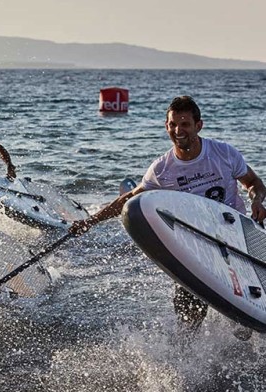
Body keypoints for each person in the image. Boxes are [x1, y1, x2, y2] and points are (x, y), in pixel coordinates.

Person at [70, 96, 266, 335]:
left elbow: (253, 182)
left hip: (234, 237)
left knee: (244, 324)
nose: (178, 130)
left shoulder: (223, 153)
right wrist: (89, 222)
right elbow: (128, 199)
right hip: (195, 242)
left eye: (184, 124)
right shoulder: (162, 169)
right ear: (166, 126)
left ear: (198, 126)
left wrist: (256, 200)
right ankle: (188, 363)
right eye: (173, 124)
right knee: (188, 318)